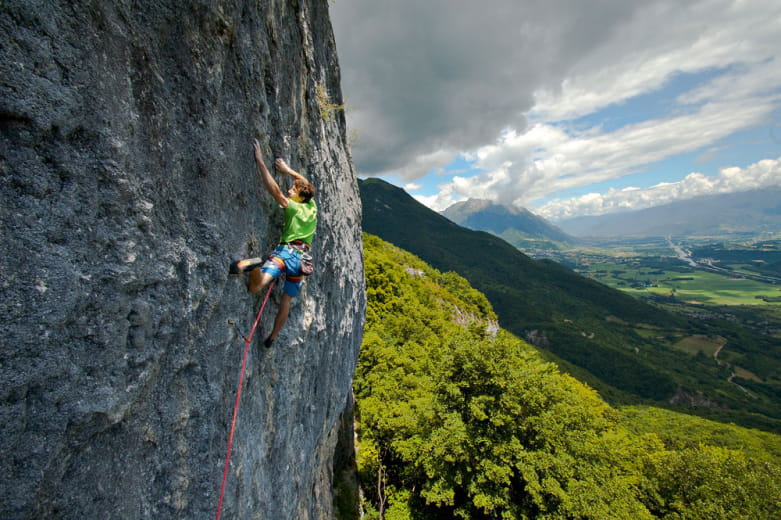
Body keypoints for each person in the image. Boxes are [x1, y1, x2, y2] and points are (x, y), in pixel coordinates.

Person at [230, 139, 317, 348]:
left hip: (285, 253)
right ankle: (272, 338)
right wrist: (288, 170)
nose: (289, 191)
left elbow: (275, 190)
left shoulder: (292, 207)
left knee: (255, 287)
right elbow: (303, 180)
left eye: (292, 191)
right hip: (302, 261)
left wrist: (260, 162)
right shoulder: (311, 205)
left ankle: (254, 265)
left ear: (298, 196)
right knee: (287, 300)